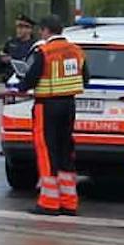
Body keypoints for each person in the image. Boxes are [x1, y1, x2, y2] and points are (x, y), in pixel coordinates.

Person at [18, 15, 87, 216]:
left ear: (46, 30)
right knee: (65, 150)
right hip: (69, 105)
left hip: (46, 106)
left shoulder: (44, 51)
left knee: (47, 151)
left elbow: (31, 79)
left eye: (42, 30)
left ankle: (49, 202)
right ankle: (69, 201)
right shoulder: (77, 51)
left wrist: (20, 87)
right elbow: (86, 78)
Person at [1, 16, 37, 81]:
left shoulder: (35, 45)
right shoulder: (10, 42)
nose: (18, 30)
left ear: (29, 29)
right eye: (17, 27)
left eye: (21, 27)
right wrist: (4, 58)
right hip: (10, 78)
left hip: (26, 79)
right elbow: (3, 54)